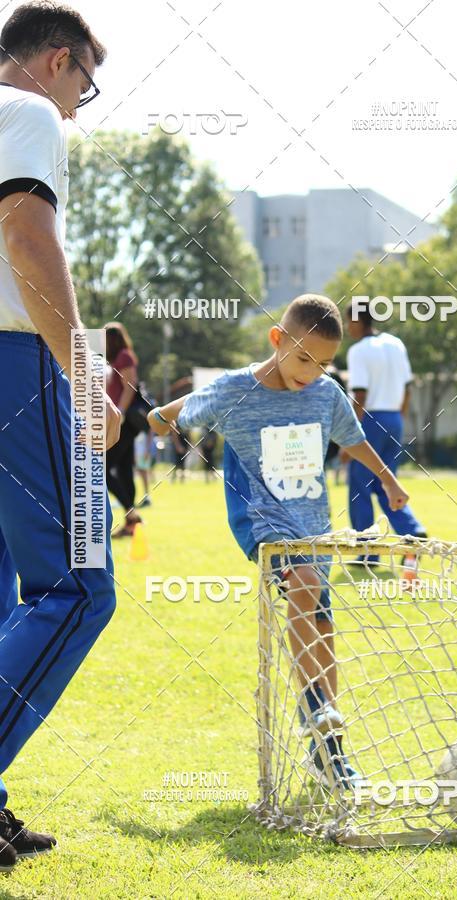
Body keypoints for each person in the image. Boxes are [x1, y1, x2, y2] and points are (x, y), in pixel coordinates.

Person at [147, 294, 411, 789]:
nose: (311, 371)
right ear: (277, 340)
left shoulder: (326, 393)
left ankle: (329, 751)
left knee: (322, 625)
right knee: (305, 587)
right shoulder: (232, 390)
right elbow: (161, 418)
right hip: (262, 521)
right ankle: (315, 712)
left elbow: (353, 440)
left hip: (313, 523)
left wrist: (389, 481)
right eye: (303, 358)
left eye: (324, 362)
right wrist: (169, 413)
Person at [0, 3, 118, 869]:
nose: (81, 104)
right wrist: (86, 377)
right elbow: (26, 232)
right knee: (79, 586)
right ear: (57, 60)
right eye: (86, 82)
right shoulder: (28, 109)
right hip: (13, 364)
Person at [345, 300, 426, 555]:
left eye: (348, 322)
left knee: (359, 486)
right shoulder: (395, 343)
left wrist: (350, 435)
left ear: (357, 321)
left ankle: (366, 550)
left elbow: (359, 394)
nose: (348, 328)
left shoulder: (358, 350)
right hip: (394, 419)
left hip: (369, 420)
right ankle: (411, 530)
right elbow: (407, 388)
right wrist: (398, 418)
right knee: (386, 482)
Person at [105, 322, 143, 536]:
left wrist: (119, 413)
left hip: (125, 422)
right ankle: (131, 523)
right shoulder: (115, 359)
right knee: (124, 470)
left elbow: (130, 386)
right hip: (122, 421)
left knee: (101, 469)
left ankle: (131, 514)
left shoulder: (124, 357)